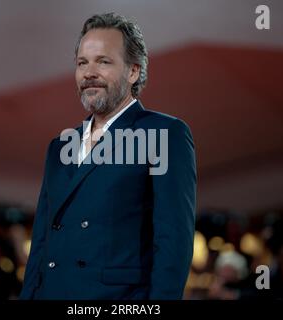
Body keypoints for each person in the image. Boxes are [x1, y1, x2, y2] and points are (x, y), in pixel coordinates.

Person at [20, 12, 197, 300]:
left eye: (103, 61)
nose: (89, 72)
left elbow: (173, 243)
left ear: (133, 71)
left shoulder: (164, 133)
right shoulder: (60, 146)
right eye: (82, 63)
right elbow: (41, 240)